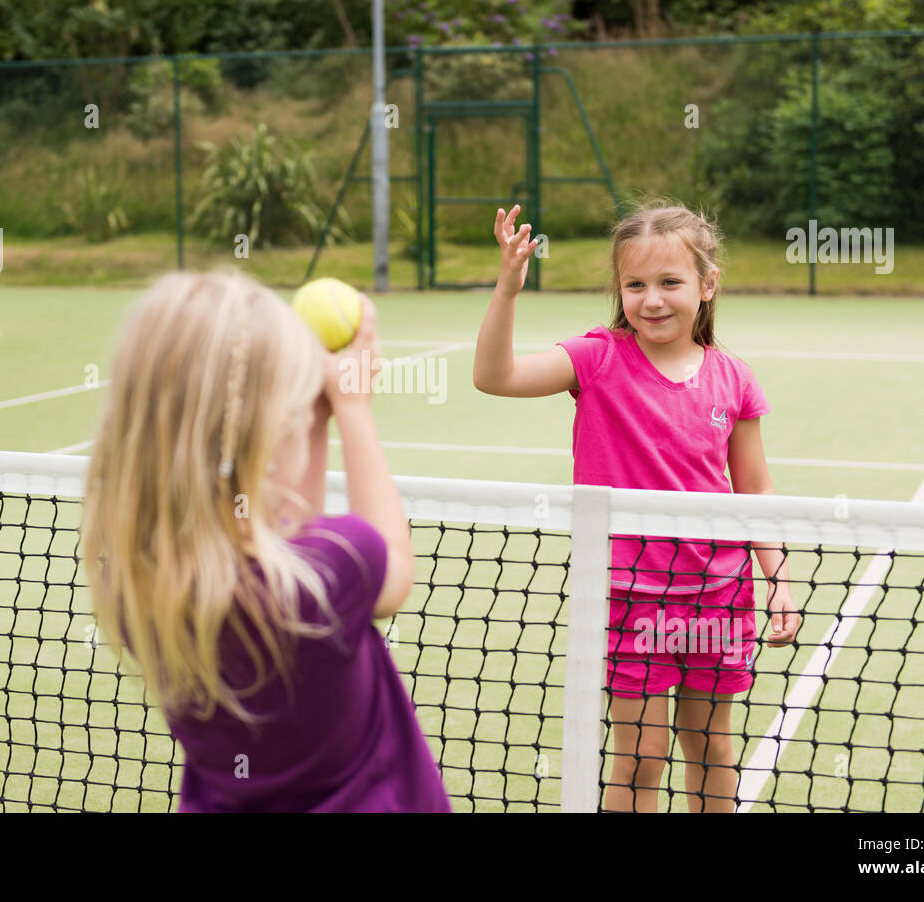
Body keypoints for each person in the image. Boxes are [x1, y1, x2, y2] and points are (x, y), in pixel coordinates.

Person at [474, 202, 801, 812]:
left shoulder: (734, 379)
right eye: (635, 284)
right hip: (631, 594)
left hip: (720, 594)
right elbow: (496, 376)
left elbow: (754, 489)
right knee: (641, 757)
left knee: (712, 748)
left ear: (707, 286)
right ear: (619, 290)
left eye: (670, 282)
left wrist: (777, 579)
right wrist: (507, 289)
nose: (652, 299)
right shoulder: (596, 358)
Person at [82, 270, 451, 812]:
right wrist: (351, 409)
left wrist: (316, 419)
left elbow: (284, 541)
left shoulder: (138, 583)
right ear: (273, 430)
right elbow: (393, 563)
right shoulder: (337, 567)